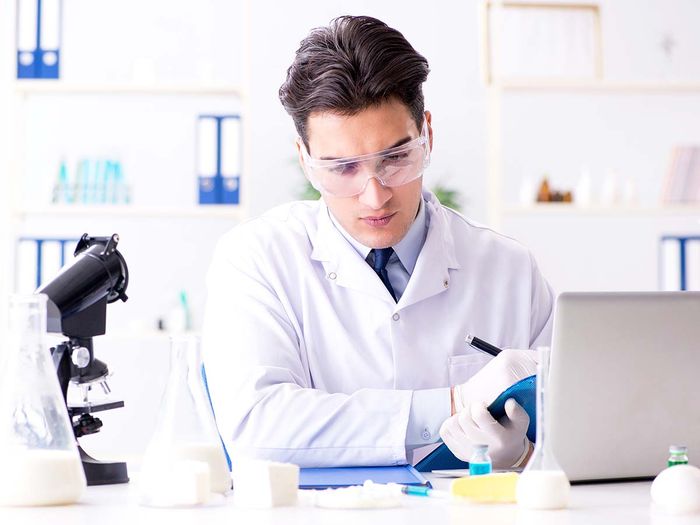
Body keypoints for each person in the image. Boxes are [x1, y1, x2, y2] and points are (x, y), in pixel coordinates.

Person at [202, 15, 554, 469]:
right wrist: (451, 405)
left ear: (426, 135)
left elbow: (573, 427)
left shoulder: (509, 268)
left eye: (395, 158)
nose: (375, 194)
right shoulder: (256, 259)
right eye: (342, 167)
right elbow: (258, 425)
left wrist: (526, 457)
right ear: (306, 161)